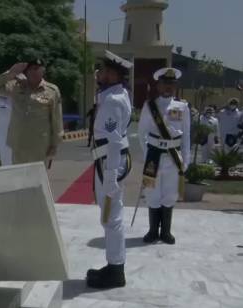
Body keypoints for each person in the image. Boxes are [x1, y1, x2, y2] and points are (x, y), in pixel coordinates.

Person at [85, 51, 133, 289]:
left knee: (111, 218)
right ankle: (113, 265)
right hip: (108, 160)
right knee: (110, 217)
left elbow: (113, 140)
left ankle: (116, 271)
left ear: (113, 74)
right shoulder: (114, 93)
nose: (99, 73)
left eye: (103, 70)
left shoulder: (113, 99)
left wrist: (112, 175)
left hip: (110, 162)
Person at [138, 67, 191, 245]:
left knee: (170, 193)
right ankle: (153, 231)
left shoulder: (182, 106)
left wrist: (186, 158)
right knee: (151, 192)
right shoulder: (149, 106)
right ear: (158, 86)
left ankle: (166, 232)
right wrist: (147, 153)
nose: (168, 87)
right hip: (153, 155)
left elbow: (186, 135)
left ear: (175, 86)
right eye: (164, 84)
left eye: (171, 84)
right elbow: (141, 133)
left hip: (173, 157)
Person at [0, 59, 63, 165]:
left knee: (38, 178)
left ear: (43, 71)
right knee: (20, 179)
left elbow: (56, 118)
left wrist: (54, 144)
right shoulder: (16, 87)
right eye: (31, 69)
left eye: (37, 69)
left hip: (40, 144)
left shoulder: (52, 91)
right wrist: (10, 73)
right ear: (26, 72)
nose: (34, 72)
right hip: (19, 142)